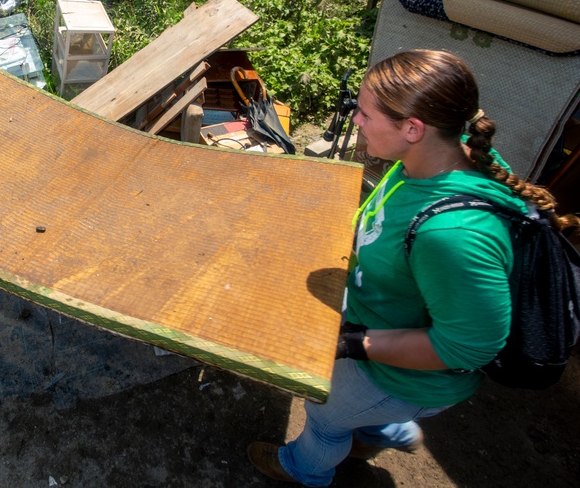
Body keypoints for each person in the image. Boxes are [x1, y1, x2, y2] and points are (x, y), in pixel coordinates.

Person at [247, 49, 577, 486]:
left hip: (397, 375)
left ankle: (303, 469)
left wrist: (357, 345)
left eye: (365, 114)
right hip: (385, 342)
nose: (356, 121)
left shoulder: (452, 234)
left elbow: (467, 347)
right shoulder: (441, 161)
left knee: (324, 418)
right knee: (364, 412)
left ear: (412, 128)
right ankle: (390, 428)